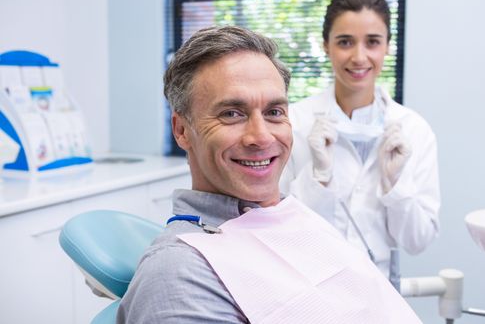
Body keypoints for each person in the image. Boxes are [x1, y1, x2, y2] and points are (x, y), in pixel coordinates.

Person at [117, 25, 421, 323]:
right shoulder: (178, 272)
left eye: (274, 112)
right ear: (182, 130)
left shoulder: (292, 216)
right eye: (231, 114)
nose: (261, 137)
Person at [280, 0, 440, 277]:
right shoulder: (294, 122)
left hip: (379, 284)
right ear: (326, 44)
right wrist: (319, 177)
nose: (359, 56)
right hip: (309, 279)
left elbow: (417, 241)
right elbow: (279, 228)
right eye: (345, 42)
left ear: (387, 46)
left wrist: (396, 185)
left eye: (373, 42)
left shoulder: (415, 130)